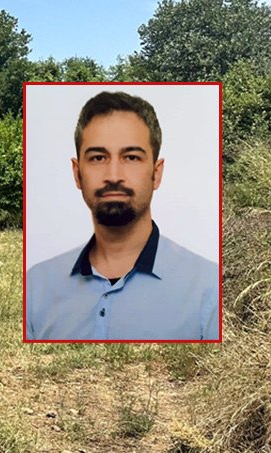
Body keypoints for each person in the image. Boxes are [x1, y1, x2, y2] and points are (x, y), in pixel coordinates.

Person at [25, 90, 219, 340]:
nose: (114, 175)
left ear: (156, 173)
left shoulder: (209, 289)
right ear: (77, 173)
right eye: (97, 157)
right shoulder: (36, 287)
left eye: (131, 157)